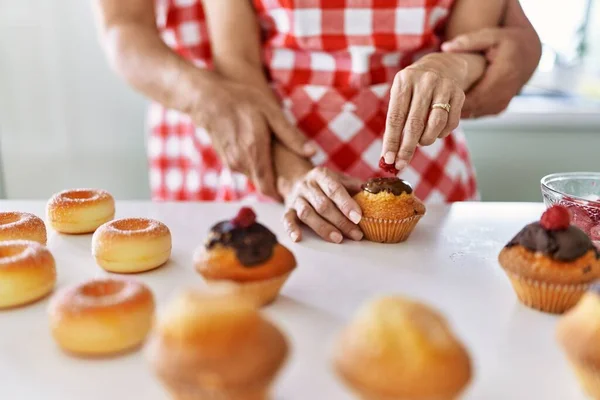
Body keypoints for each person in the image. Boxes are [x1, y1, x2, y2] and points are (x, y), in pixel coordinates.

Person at [94, 0, 541, 243]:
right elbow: (237, 63)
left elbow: (472, 43)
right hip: (271, 158)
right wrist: (291, 175)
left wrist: (453, 69)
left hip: (422, 163)